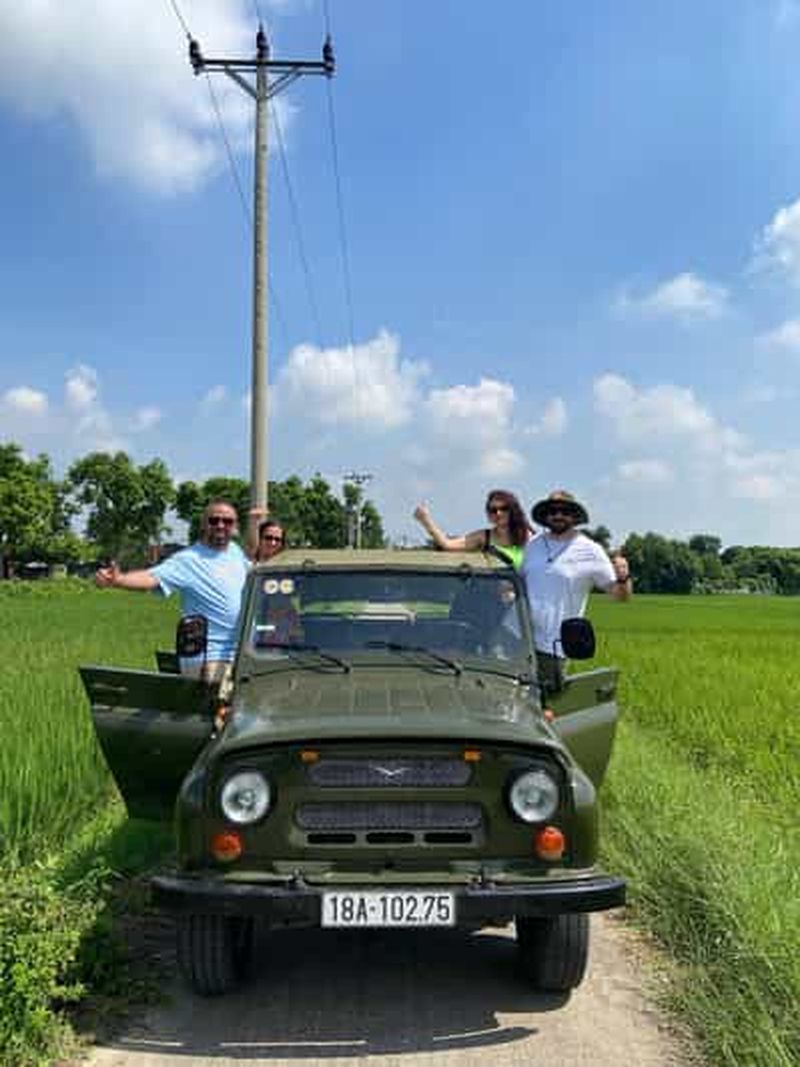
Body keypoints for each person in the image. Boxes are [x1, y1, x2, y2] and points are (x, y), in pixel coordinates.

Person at [95, 499, 249, 682]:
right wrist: (118, 580)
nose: (221, 525)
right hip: (210, 658)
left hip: (239, 654)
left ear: (235, 526)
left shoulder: (235, 552)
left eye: (228, 521)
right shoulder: (188, 560)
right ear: (204, 524)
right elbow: (152, 578)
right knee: (217, 710)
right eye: (214, 520)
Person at [521, 489, 631, 693]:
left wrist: (623, 577)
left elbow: (619, 596)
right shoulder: (533, 545)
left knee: (547, 710)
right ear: (545, 516)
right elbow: (519, 585)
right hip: (519, 641)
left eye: (565, 511)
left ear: (575, 516)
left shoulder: (590, 550)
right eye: (553, 511)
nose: (558, 515)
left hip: (552, 648)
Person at [413, 490, 532, 569]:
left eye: (504, 508)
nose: (498, 513)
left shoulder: (528, 536)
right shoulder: (483, 537)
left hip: (522, 600)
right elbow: (447, 544)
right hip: (493, 596)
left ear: (513, 510)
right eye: (493, 510)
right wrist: (425, 520)